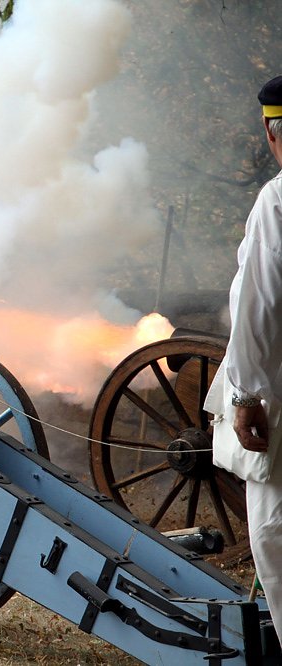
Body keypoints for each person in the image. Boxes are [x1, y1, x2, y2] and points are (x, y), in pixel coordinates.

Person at [211, 74, 282, 645]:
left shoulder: (276, 201)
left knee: (274, 537)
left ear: (270, 129)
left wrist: (244, 397)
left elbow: (259, 306)